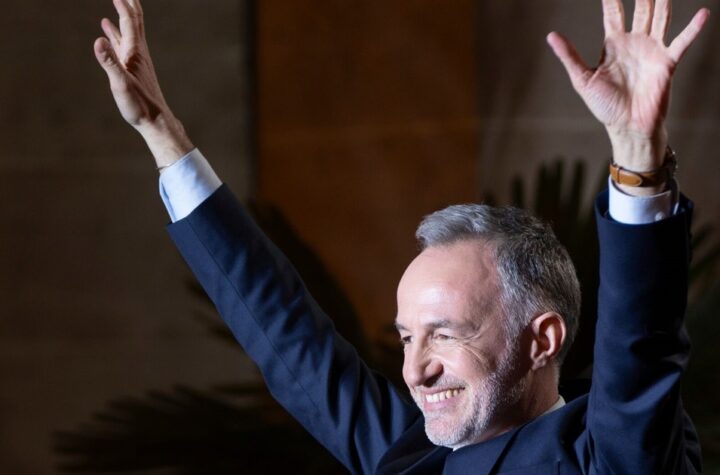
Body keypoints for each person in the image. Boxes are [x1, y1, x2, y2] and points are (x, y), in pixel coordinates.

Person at [94, 0, 709, 473]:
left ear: (542, 339)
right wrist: (162, 134)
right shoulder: (408, 452)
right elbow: (284, 333)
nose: (415, 370)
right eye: (408, 337)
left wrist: (639, 158)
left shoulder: (610, 456)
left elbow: (640, 346)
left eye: (444, 334)